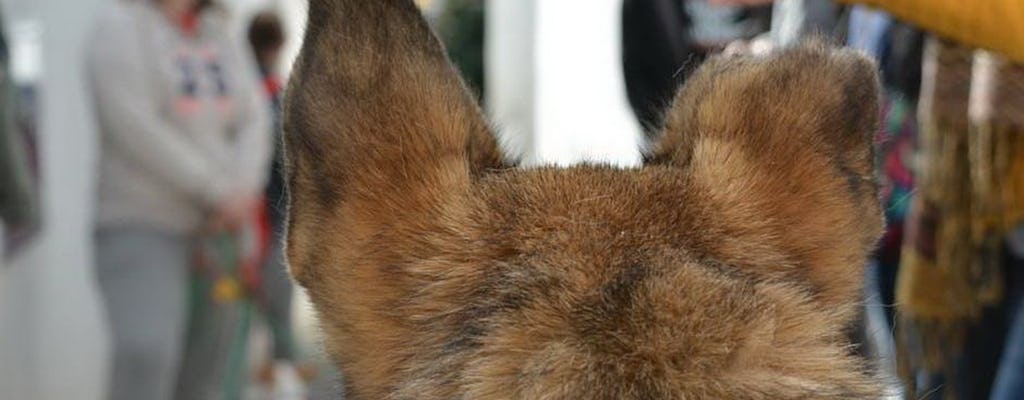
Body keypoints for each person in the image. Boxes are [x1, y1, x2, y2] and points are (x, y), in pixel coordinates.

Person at [86, 0, 271, 398]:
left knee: (210, 369)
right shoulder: (117, 25)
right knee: (145, 354)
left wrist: (243, 188)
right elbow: (134, 127)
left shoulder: (220, 29)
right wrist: (217, 191)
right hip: (143, 223)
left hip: (221, 230)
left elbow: (254, 117)